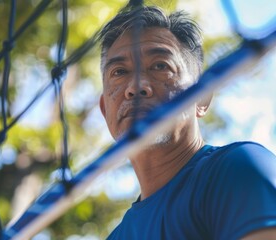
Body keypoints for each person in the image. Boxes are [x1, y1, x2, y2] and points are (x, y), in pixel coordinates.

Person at [98, 5, 276, 240]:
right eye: (119, 72)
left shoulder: (236, 168)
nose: (135, 87)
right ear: (104, 109)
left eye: (160, 66)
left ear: (201, 98)